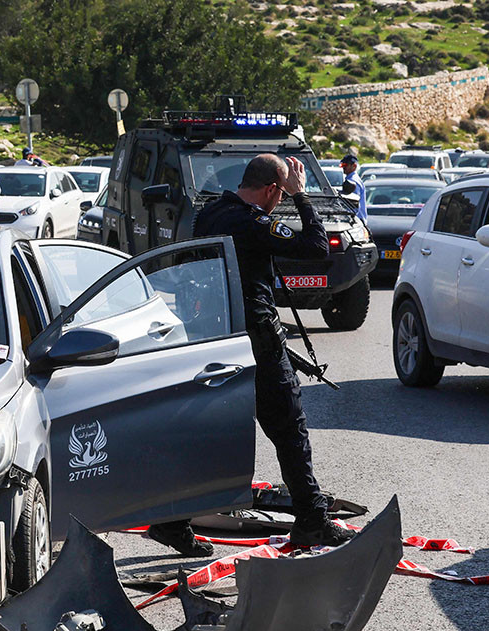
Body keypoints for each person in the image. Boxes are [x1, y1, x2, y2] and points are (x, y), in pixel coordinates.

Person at [149, 155, 357, 555]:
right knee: (289, 428)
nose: (279, 201)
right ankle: (312, 521)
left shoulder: (210, 214)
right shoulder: (252, 221)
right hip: (254, 338)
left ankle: (171, 520)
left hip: (216, 334)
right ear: (271, 190)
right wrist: (302, 198)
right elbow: (315, 247)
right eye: (280, 194)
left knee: (212, 434)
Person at [340, 153, 367, 223]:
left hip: (356, 221)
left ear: (354, 166)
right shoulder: (352, 178)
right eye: (343, 165)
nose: (343, 167)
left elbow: (353, 204)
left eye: (345, 165)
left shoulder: (353, 181)